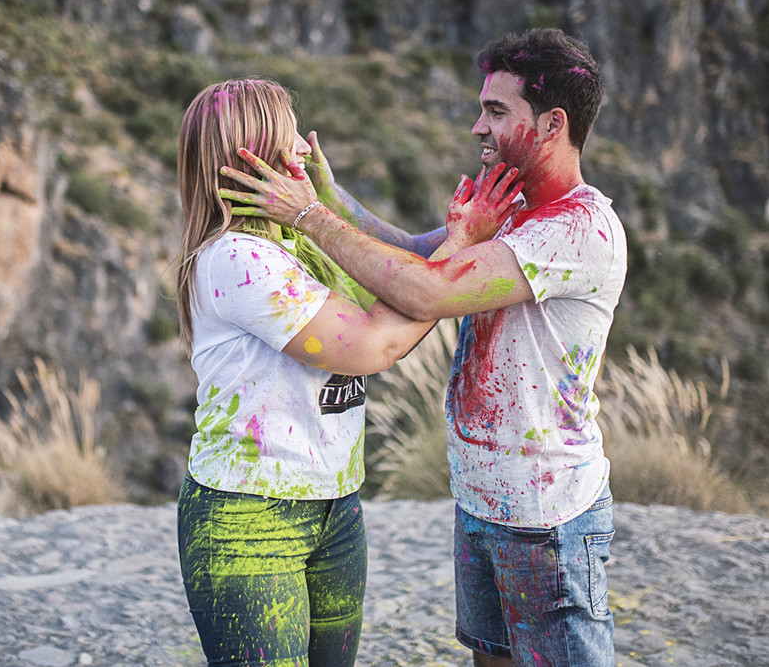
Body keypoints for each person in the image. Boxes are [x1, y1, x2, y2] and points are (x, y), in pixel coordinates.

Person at [219, 29, 627, 667]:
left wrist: (307, 217)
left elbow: (426, 289)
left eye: (496, 111)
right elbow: (415, 251)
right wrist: (330, 197)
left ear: (552, 124)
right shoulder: (510, 207)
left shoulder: (577, 229)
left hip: (547, 518)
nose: (477, 127)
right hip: (484, 502)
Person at [175, 78, 521, 667]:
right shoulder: (238, 258)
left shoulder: (298, 241)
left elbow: (402, 258)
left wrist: (329, 205)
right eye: (292, 139)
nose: (307, 151)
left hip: (335, 506)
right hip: (249, 519)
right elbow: (371, 344)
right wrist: (465, 238)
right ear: (252, 156)